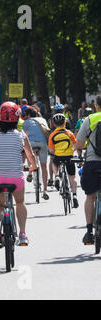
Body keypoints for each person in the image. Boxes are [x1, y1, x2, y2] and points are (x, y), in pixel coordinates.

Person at [0, 101, 37, 246]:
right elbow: (30, 156)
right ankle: (22, 234)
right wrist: (32, 167)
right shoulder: (21, 135)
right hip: (15, 178)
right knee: (20, 202)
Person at [74, 94, 101, 245]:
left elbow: (79, 144)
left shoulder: (90, 119)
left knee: (90, 196)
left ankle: (89, 232)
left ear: (96, 106)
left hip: (93, 162)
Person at [48, 113, 79, 208]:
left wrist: (56, 152)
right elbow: (75, 145)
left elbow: (51, 150)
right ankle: (74, 196)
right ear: (65, 122)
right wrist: (71, 150)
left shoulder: (52, 135)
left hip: (59, 156)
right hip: (69, 157)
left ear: (53, 124)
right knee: (72, 177)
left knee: (53, 162)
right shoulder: (69, 133)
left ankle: (56, 176)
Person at [22, 107, 50, 200]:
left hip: (32, 143)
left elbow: (23, 135)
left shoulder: (26, 122)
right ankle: (45, 190)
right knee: (43, 166)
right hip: (43, 144)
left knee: (28, 152)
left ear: (29, 115)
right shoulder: (43, 120)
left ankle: (30, 171)